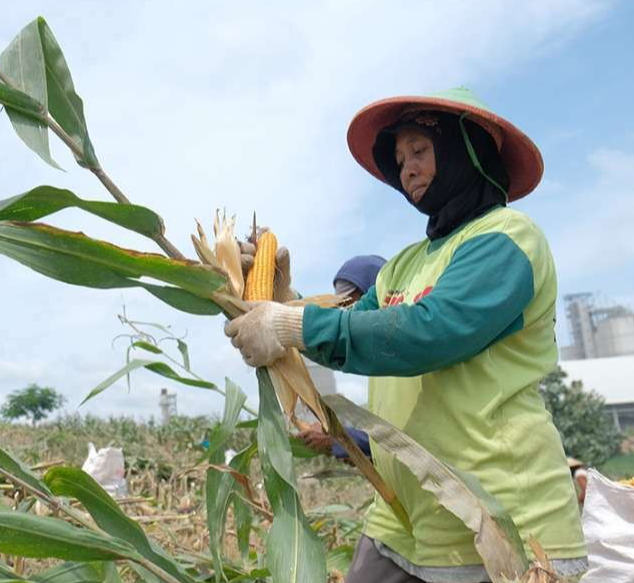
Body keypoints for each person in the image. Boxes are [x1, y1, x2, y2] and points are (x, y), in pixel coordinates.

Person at [223, 88, 586, 583]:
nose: (407, 169)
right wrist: (281, 299)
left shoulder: (505, 239)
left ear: (466, 149)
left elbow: (428, 333)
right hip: (402, 516)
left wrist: (289, 324)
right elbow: (359, 328)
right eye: (399, 159)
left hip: (501, 523)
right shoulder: (404, 265)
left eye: (419, 151)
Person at [298, 255, 387, 461]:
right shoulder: (378, 363)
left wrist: (338, 440)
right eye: (343, 308)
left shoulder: (408, 359)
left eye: (353, 304)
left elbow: (406, 439)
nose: (349, 315)